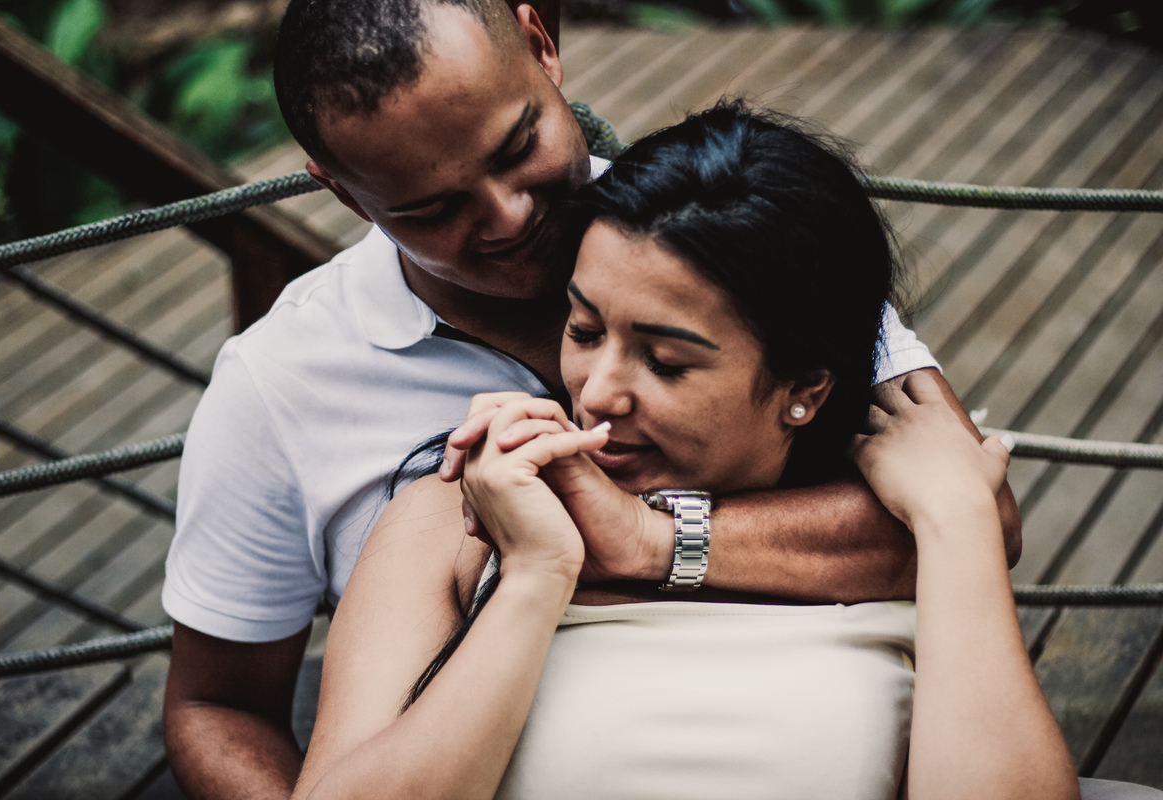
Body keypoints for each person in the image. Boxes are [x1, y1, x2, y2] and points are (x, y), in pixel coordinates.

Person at [160, 1, 1017, 798]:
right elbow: (216, 707)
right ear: (343, 190)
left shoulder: (728, 226)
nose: (506, 217)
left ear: (542, 46)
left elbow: (971, 514)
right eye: (433, 209)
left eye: (513, 150)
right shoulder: (282, 386)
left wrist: (645, 538)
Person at [291, 103, 1077, 800]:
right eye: (583, 330)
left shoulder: (898, 534)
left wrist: (957, 514)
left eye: (666, 362)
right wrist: (535, 576)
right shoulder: (459, 513)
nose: (595, 391)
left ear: (804, 388)